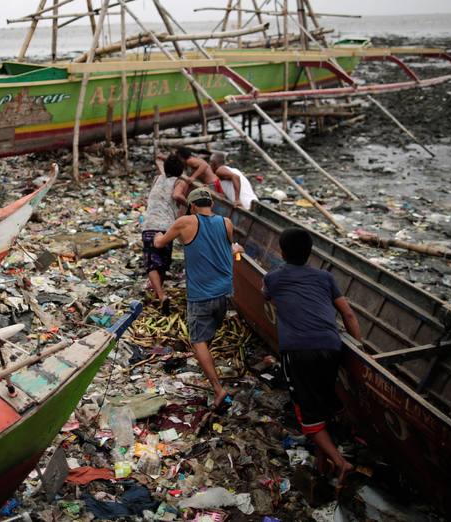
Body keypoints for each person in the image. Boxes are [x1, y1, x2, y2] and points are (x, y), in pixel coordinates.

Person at [263, 227, 363, 485]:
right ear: (310, 253)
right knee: (321, 400)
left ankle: (341, 463)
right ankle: (322, 462)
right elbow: (349, 315)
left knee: (306, 411)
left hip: (298, 351)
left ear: (282, 253)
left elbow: (269, 298)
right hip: (331, 347)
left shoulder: (273, 278)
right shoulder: (325, 277)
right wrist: (360, 351)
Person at [154, 187, 243, 412]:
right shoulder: (226, 223)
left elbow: (160, 243)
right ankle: (208, 367)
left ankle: (217, 388)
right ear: (210, 203)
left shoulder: (185, 222)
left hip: (201, 294)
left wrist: (156, 237)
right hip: (225, 291)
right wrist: (236, 251)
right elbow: (228, 247)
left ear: (192, 205)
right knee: (207, 333)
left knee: (197, 340)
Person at [141, 155, 186, 314]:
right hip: (167, 227)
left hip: (149, 225)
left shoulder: (156, 179)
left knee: (151, 263)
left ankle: (160, 296)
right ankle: (160, 295)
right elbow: (176, 196)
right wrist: (189, 203)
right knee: (162, 262)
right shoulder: (180, 182)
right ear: (181, 170)